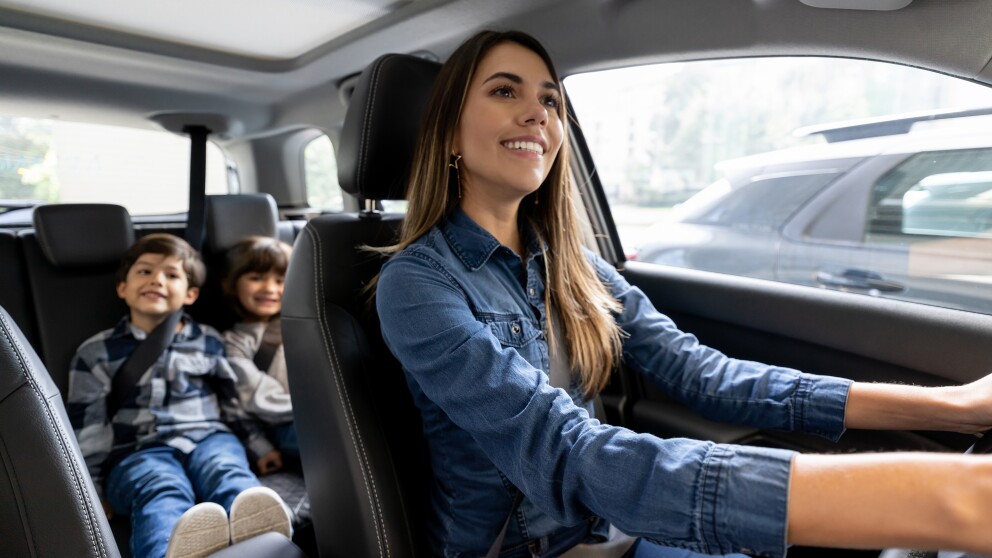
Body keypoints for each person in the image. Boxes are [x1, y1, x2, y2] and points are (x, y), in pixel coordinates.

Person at [372, 30, 992, 558]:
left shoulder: (572, 264)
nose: (539, 114)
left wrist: (955, 407)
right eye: (505, 91)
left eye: (551, 100)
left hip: (606, 532)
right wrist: (945, 498)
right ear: (450, 132)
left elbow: (707, 377)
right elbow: (561, 447)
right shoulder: (418, 284)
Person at [67, 233, 292, 558]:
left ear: (190, 294)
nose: (157, 280)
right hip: (138, 450)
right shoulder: (95, 352)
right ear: (122, 288)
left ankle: (265, 539)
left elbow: (229, 403)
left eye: (171, 275)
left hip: (209, 437)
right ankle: (166, 551)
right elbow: (88, 429)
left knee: (226, 470)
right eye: (144, 272)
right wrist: (92, 489)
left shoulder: (210, 341)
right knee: (161, 489)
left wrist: (259, 445)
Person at [222, 235, 299, 462]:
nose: (270, 288)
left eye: (280, 280)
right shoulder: (233, 341)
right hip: (284, 425)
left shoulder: (307, 326)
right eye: (256, 278)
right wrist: (324, 410)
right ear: (233, 284)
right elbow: (258, 397)